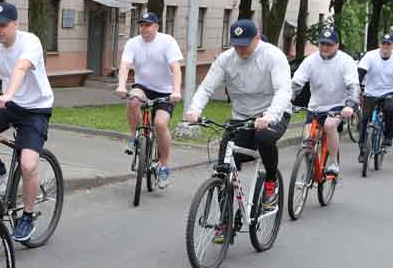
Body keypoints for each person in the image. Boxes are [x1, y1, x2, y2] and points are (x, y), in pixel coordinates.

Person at [185, 19, 291, 218]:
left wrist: (270, 116)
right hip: (241, 116)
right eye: (236, 44)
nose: (240, 49)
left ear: (257, 38)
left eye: (244, 45)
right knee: (223, 164)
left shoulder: (273, 56)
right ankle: (224, 221)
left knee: (263, 137)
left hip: (273, 113)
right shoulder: (226, 59)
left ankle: (270, 182)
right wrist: (194, 110)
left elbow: (283, 90)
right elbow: (207, 87)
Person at [0, 1, 54, 242]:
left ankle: (28, 216)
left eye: (2, 26)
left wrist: (9, 94)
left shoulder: (30, 42)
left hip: (35, 109)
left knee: (29, 164)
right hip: (8, 104)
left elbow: (20, 69)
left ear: (15, 25)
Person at [115, 11, 183, 188]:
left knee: (160, 125)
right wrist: (121, 85)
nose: (143, 29)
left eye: (148, 25)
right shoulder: (133, 43)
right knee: (133, 101)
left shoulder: (167, 42)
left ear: (156, 27)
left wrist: (176, 91)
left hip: (165, 91)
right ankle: (136, 138)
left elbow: (176, 68)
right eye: (141, 25)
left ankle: (164, 166)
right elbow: (125, 65)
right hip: (143, 86)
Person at [289, 26, 358, 175]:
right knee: (307, 139)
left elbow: (353, 85)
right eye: (322, 44)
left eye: (329, 44)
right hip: (315, 106)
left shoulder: (346, 61)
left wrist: (351, 105)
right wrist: (287, 100)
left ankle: (333, 162)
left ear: (337, 45)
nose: (325, 47)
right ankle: (309, 166)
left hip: (338, 106)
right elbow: (296, 83)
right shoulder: (311, 60)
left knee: (329, 125)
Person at [356, 34, 393, 157]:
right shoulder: (370, 56)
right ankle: (362, 146)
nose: (385, 46)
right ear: (380, 44)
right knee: (364, 118)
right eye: (383, 43)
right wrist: (356, 88)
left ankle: (388, 135)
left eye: (388, 44)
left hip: (389, 91)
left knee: (390, 109)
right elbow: (360, 72)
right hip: (371, 91)